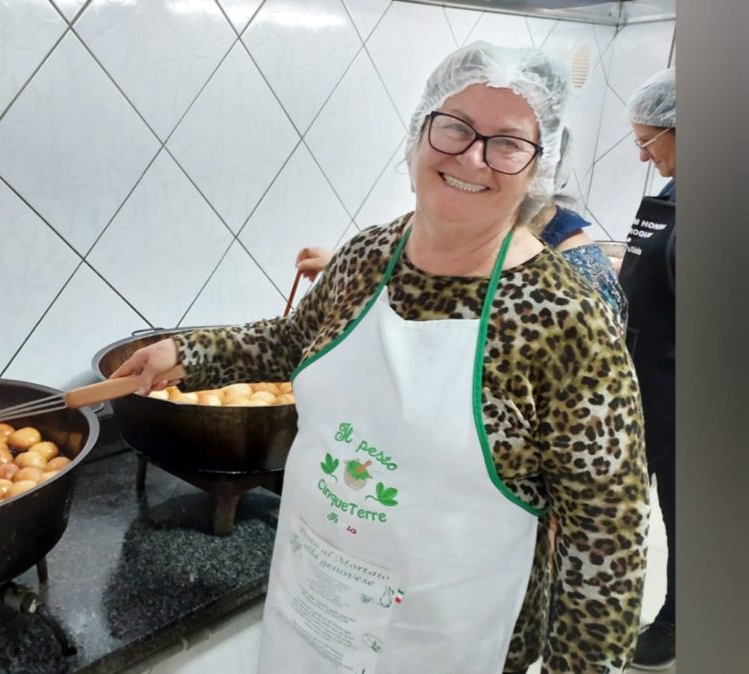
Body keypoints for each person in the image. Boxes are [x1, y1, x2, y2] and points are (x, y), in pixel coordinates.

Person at [112, 41, 649, 674]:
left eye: (507, 143)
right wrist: (188, 352)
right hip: (313, 607)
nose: (472, 157)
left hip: (450, 638)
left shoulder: (567, 320)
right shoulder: (371, 254)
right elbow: (293, 341)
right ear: (421, 132)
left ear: (539, 165)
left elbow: (606, 538)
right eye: (454, 127)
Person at [297, 130, 629, 329]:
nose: (472, 159)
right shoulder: (480, 240)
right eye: (457, 133)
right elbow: (438, 299)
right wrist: (347, 267)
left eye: (506, 146)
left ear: (537, 173)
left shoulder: (580, 282)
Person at [622, 66, 677, 671]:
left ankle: (680, 623)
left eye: (648, 141)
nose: (641, 154)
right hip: (648, 383)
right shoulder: (669, 194)